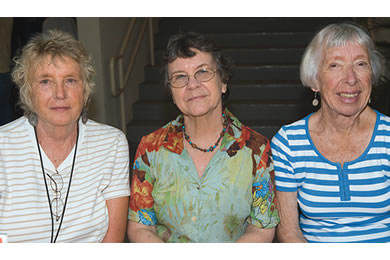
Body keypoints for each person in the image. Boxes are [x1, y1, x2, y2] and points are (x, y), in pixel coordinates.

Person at [127, 32, 279, 243]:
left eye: (203, 72)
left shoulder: (256, 148)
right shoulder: (150, 148)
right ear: (171, 92)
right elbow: (140, 227)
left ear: (223, 82)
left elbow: (261, 229)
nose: (192, 85)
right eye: (180, 77)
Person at [0, 30, 130, 243]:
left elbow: (112, 242)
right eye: (45, 81)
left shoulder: (111, 144)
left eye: (70, 80)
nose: (60, 94)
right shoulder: (3, 147)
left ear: (85, 89)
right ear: (28, 91)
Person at [271, 22, 390, 243]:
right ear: (315, 79)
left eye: (361, 64)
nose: (351, 79)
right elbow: (289, 231)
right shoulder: (288, 143)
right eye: (335, 65)